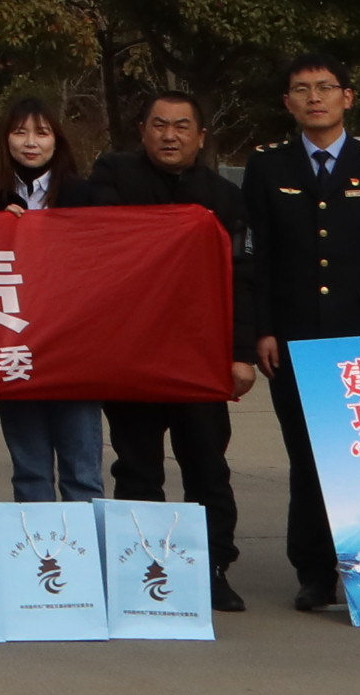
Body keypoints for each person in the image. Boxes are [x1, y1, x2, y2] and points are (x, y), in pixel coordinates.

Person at [240, 52, 360, 613]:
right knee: (308, 456)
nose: (314, 98)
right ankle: (315, 571)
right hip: (295, 336)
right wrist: (263, 330)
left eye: (325, 87)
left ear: (348, 97)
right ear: (287, 102)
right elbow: (257, 258)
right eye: (302, 89)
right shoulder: (268, 167)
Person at [83, 88, 250, 610]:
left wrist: (241, 352)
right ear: (142, 132)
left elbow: (245, 280)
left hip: (199, 357)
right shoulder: (114, 176)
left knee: (207, 466)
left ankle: (213, 567)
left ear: (200, 136)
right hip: (132, 353)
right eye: (159, 125)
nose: (170, 136)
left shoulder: (223, 196)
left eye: (182, 126)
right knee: (137, 467)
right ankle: (141, 568)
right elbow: (97, 236)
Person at [0, 98, 106, 507]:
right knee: (30, 471)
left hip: (74, 350)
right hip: (15, 349)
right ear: (5, 140)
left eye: (42, 132)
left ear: (57, 140)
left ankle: (86, 548)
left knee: (82, 472)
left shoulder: (84, 195)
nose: (30, 142)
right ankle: (37, 549)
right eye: (20, 132)